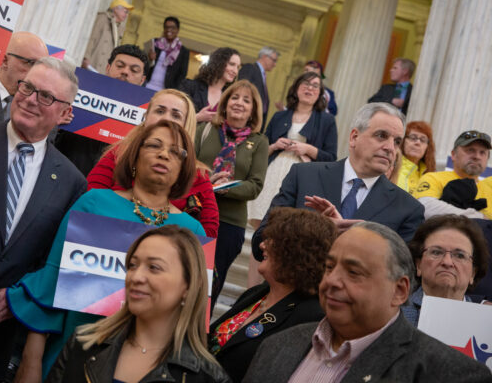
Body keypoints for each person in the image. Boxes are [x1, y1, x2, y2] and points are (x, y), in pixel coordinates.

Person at [7, 121, 206, 382]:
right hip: (71, 358)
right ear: (134, 156)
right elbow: (51, 284)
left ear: (183, 168)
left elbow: (191, 313)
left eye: (176, 152)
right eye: (154, 145)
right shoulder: (94, 203)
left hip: (149, 371)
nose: (164, 154)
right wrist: (32, 360)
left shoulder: (193, 232)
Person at [0, 57, 87, 381]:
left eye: (45, 96)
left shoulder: (72, 181)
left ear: (65, 114)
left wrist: (12, 299)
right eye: (27, 87)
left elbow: (50, 260)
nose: (30, 99)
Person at [241, 222, 492, 382]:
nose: (333, 281)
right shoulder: (277, 345)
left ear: (399, 291)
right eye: (329, 267)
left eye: (354, 272)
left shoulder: (452, 375)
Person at [45, 226, 230, 383]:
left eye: (154, 267)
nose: (136, 277)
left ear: (189, 286)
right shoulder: (83, 342)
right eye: (133, 265)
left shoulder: (208, 377)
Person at [251, 103, 424, 262]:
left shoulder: (408, 209)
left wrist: (355, 239)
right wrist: (315, 230)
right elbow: (261, 239)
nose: (390, 148)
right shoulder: (304, 175)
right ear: (354, 137)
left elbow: (404, 275)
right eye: (381, 136)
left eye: (397, 142)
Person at [210, 208, 336, 383]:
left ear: (295, 252)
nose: (262, 245)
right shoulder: (256, 293)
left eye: (272, 240)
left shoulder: (312, 315)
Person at [87, 88, 219, 237]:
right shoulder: (118, 153)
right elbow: (92, 201)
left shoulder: (199, 173)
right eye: (160, 111)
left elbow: (208, 233)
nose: (166, 119)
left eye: (176, 115)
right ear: (146, 117)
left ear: (186, 125)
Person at [195, 80, 268, 305]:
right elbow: (187, 167)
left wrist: (225, 188)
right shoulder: (205, 130)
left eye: (246, 100)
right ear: (225, 104)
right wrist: (208, 182)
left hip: (229, 223)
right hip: (194, 212)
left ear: (253, 109)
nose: (239, 103)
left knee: (210, 287)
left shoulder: (259, 142)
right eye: (235, 98)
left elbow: (255, 185)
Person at [248, 70, 337, 227]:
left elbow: (331, 157)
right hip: (272, 173)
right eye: (306, 84)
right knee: (260, 225)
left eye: (315, 86)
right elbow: (260, 150)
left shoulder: (327, 121)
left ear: (320, 94)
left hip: (303, 176)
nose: (309, 89)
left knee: (288, 226)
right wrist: (275, 145)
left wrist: (308, 149)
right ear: (296, 88)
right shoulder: (279, 116)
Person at [56, 44, 149, 176]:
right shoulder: (75, 93)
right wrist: (57, 125)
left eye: (134, 70)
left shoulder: (144, 120)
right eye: (120, 65)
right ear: (108, 68)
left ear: (142, 80)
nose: (125, 72)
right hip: (63, 171)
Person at [402, 215, 489, 326]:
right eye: (436, 252)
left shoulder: (486, 323)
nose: (447, 262)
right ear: (419, 265)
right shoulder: (393, 315)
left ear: (473, 273)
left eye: (460, 255)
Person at [414, 130, 492, 219]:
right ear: (453, 154)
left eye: (482, 153)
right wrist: (480, 218)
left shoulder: (489, 189)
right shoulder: (433, 178)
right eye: (470, 150)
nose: (477, 156)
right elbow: (425, 206)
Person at [180, 47, 241, 123]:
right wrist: (197, 118)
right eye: (232, 64)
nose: (235, 71)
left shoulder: (230, 97)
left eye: (238, 67)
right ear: (219, 63)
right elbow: (175, 117)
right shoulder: (190, 86)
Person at [82, 0, 133, 74]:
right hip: (92, 63)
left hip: (104, 68)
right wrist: (86, 57)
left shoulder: (119, 28)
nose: (126, 15)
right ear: (116, 9)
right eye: (125, 12)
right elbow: (92, 38)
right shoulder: (103, 18)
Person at [238, 47, 279, 130]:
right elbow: (243, 90)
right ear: (264, 56)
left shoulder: (262, 74)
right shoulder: (250, 68)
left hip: (255, 123)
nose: (275, 64)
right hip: (246, 121)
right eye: (274, 60)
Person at [145, 16, 190, 91]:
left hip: (165, 90)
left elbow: (182, 74)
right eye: (166, 27)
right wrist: (149, 59)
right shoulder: (155, 43)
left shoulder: (183, 51)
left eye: (172, 28)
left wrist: (173, 90)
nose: (169, 30)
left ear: (177, 30)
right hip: (147, 85)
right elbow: (142, 64)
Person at [397, 121, 436, 194]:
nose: (417, 142)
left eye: (423, 140)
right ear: (403, 141)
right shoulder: (391, 167)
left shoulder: (428, 176)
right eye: (413, 138)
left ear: (427, 147)